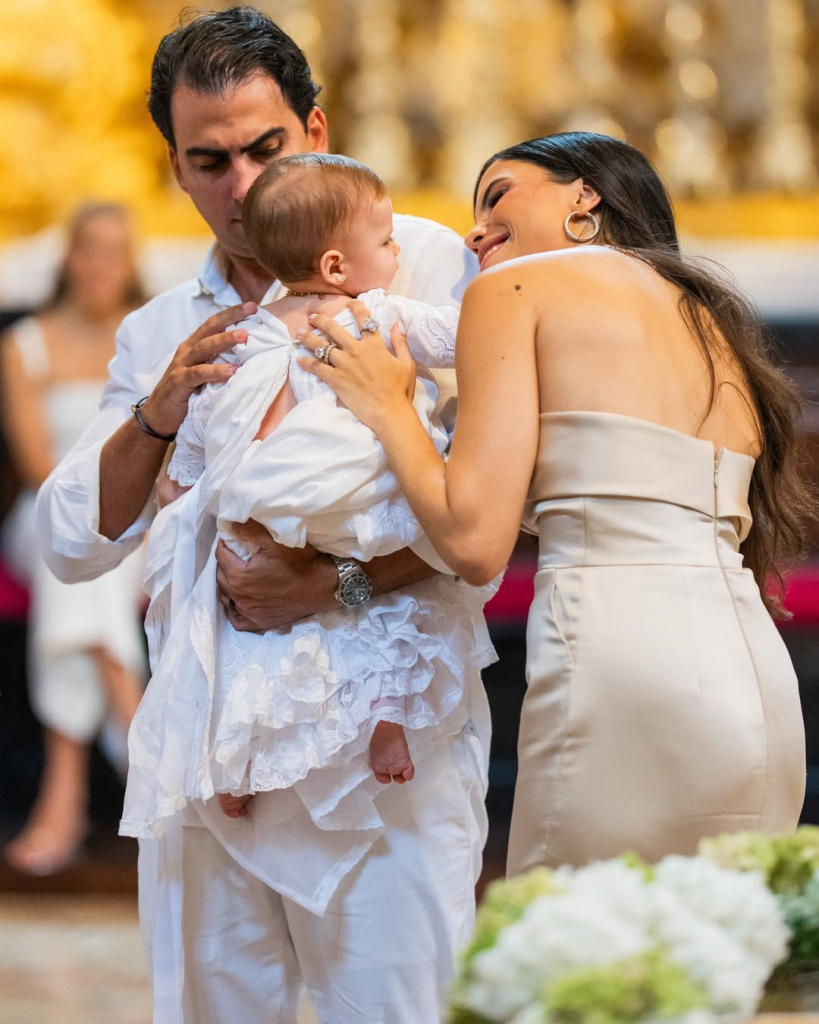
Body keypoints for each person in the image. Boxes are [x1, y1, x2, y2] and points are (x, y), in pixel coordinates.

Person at [36, 9, 489, 1023]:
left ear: (317, 130)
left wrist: (335, 582)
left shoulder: (420, 267)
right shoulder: (161, 325)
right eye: (210, 160)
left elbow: (498, 507)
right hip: (211, 752)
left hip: (386, 765)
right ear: (176, 168)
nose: (240, 185)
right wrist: (157, 415)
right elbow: (70, 538)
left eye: (264, 148)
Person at [301, 131, 811, 874]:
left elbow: (474, 545)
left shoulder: (513, 289)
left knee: (573, 958)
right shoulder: (709, 318)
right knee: (709, 957)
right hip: (753, 678)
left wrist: (388, 405)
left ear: (584, 196)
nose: (474, 229)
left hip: (617, 656)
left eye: (497, 195)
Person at [122, 153, 493, 859]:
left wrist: (184, 486)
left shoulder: (247, 334)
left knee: (241, 637)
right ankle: (387, 719)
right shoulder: (374, 310)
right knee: (400, 600)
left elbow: (201, 427)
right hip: (351, 498)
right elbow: (462, 339)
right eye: (386, 242)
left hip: (265, 504)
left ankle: (233, 762)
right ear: (333, 264)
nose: (396, 251)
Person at [1, 203, 147, 875]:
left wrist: (119, 505)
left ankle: (63, 796)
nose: (98, 265)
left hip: (137, 522)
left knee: (90, 568)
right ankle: (139, 731)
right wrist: (95, 506)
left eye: (113, 251)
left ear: (130, 262)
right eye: (88, 249)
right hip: (43, 517)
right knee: (75, 552)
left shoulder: (148, 337)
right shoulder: (24, 343)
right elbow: (35, 468)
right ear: (69, 257)